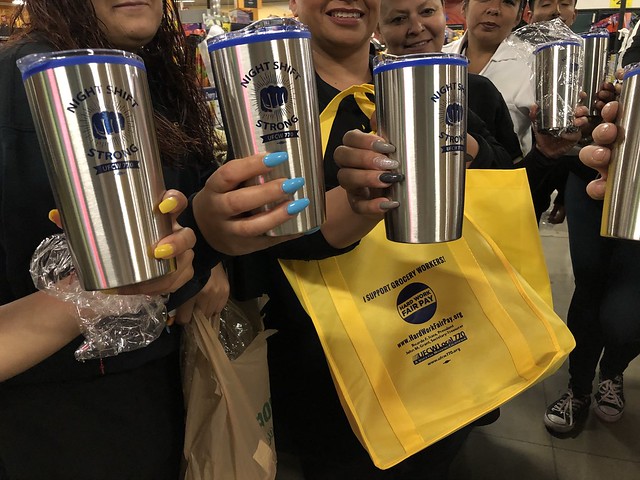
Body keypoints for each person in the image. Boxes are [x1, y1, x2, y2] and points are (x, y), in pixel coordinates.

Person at [0, 1, 318, 478]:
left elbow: (172, 252)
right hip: (64, 423)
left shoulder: (147, 73)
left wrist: (211, 243)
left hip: (170, 388)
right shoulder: (21, 85)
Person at [542, 67, 640, 434]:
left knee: (626, 315)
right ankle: (578, 388)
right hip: (591, 177)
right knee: (589, 287)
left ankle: (613, 372)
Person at [376, 0, 523, 166]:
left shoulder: (478, 90)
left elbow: (512, 173)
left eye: (427, 12)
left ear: (443, 11)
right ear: (378, 29)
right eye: (398, 19)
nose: (417, 28)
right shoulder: (365, 97)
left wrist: (467, 147)